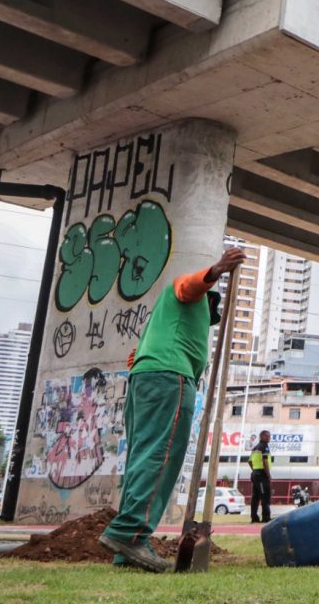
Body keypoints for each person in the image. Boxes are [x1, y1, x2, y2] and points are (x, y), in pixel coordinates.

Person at [99, 245, 246, 572]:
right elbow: (189, 285)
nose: (210, 323)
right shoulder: (187, 294)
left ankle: (127, 549)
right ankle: (130, 532)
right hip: (171, 379)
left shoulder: (163, 321)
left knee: (142, 455)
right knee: (161, 455)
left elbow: (136, 355)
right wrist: (217, 270)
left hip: (146, 379)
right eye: (213, 315)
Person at [249, 430, 272, 522]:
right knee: (265, 496)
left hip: (255, 474)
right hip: (262, 475)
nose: (269, 438)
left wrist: (255, 470)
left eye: (269, 436)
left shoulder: (255, 448)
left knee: (255, 497)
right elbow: (265, 461)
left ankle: (254, 517)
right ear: (261, 436)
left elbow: (250, 462)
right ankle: (266, 517)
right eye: (267, 436)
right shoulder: (264, 446)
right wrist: (268, 474)